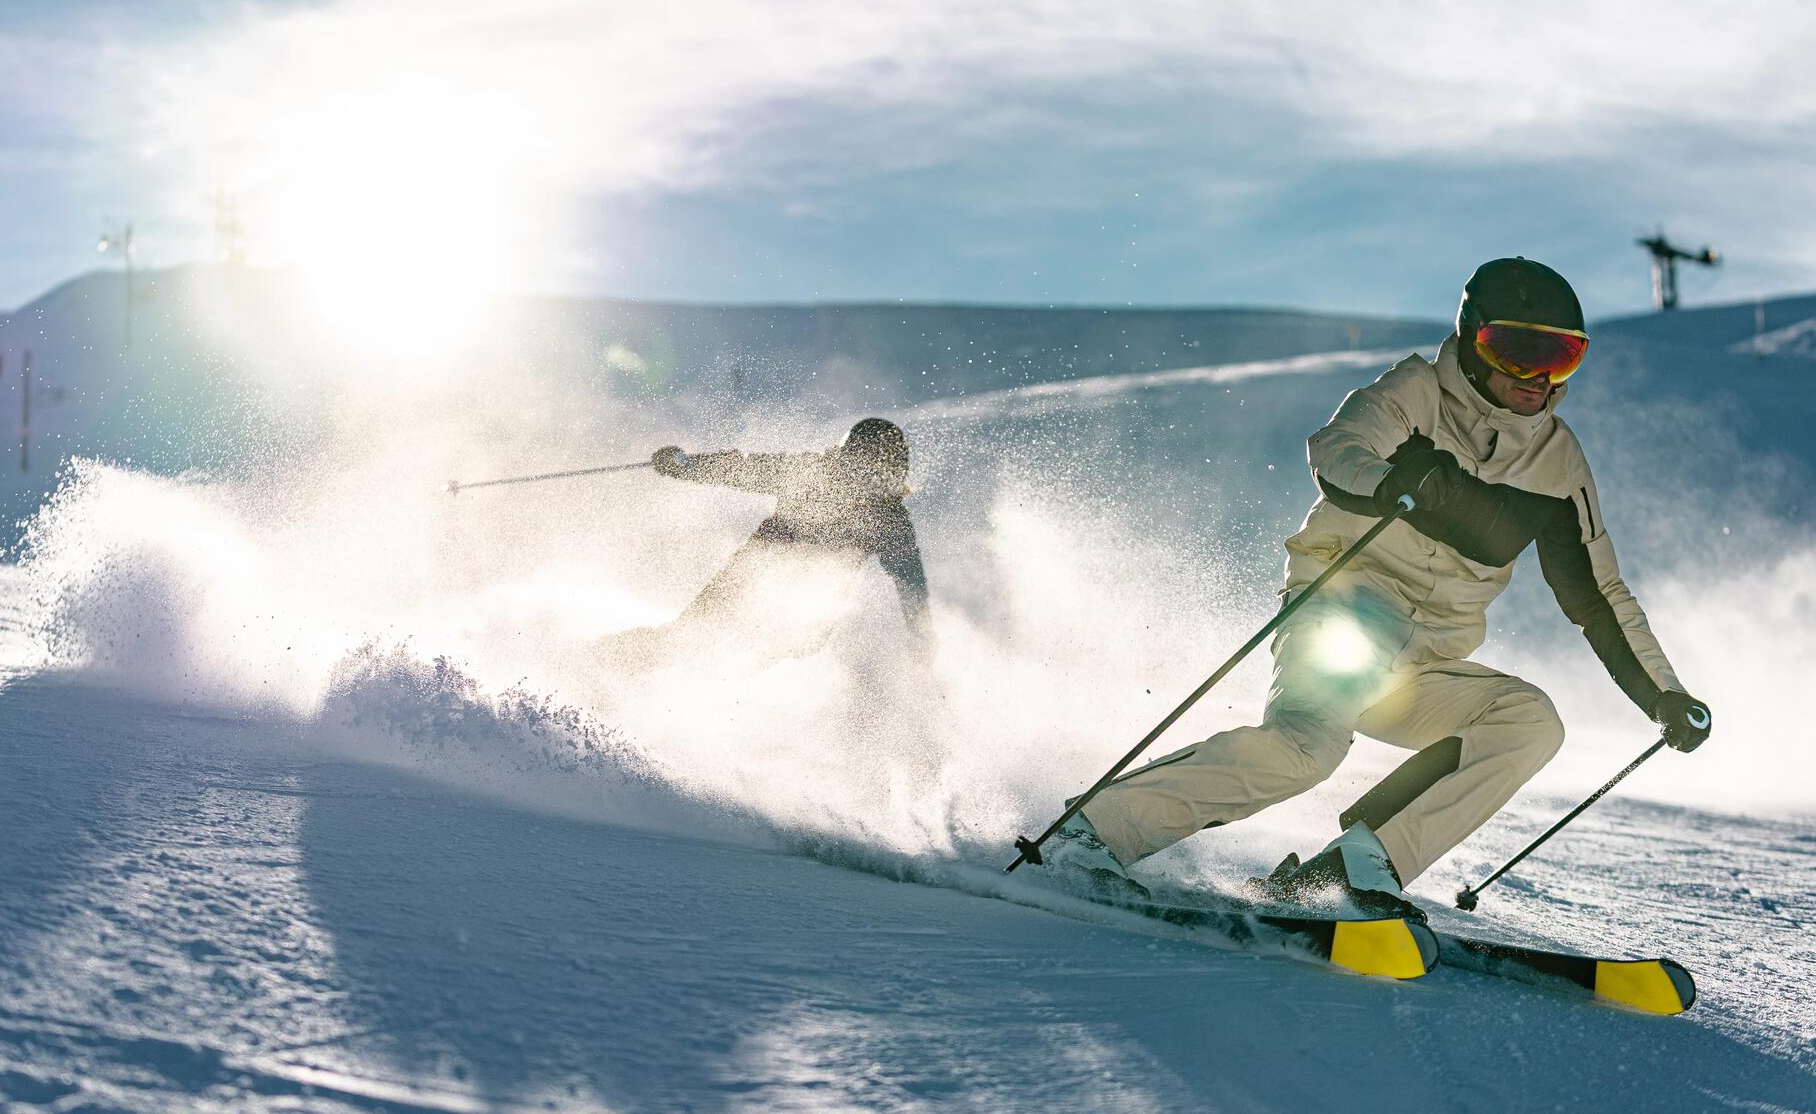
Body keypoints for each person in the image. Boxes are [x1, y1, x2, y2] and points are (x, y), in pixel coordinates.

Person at [1050, 258, 1712, 917]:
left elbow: (1601, 596)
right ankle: (1096, 828)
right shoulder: (1417, 390)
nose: (1536, 378)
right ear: (1476, 341)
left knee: (1530, 719)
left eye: (1560, 359)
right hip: (1342, 614)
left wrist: (1664, 694)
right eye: (1516, 351)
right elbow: (1337, 448)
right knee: (1305, 750)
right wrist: (1394, 484)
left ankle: (1356, 867)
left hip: (1420, 663)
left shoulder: (1556, 462)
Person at [607, 418, 932, 669]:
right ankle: (610, 666)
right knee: (691, 637)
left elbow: (910, 578)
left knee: (770, 654)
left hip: (809, 605)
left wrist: (921, 634)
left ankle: (712, 711)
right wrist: (686, 466)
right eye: (860, 466)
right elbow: (743, 469)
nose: (864, 479)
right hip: (754, 576)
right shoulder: (814, 473)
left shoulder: (888, 516)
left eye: (875, 471)